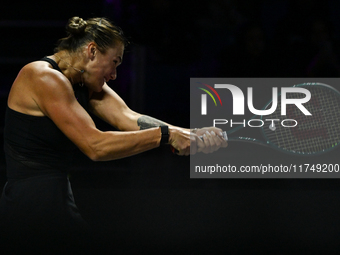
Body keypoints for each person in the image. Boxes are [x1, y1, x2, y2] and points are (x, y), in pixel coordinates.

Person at [0, 17, 227, 253]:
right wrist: (167, 135)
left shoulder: (82, 80)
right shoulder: (42, 76)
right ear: (92, 51)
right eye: (114, 62)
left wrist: (192, 133)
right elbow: (95, 146)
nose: (114, 75)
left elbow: (126, 117)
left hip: (53, 196)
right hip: (31, 204)